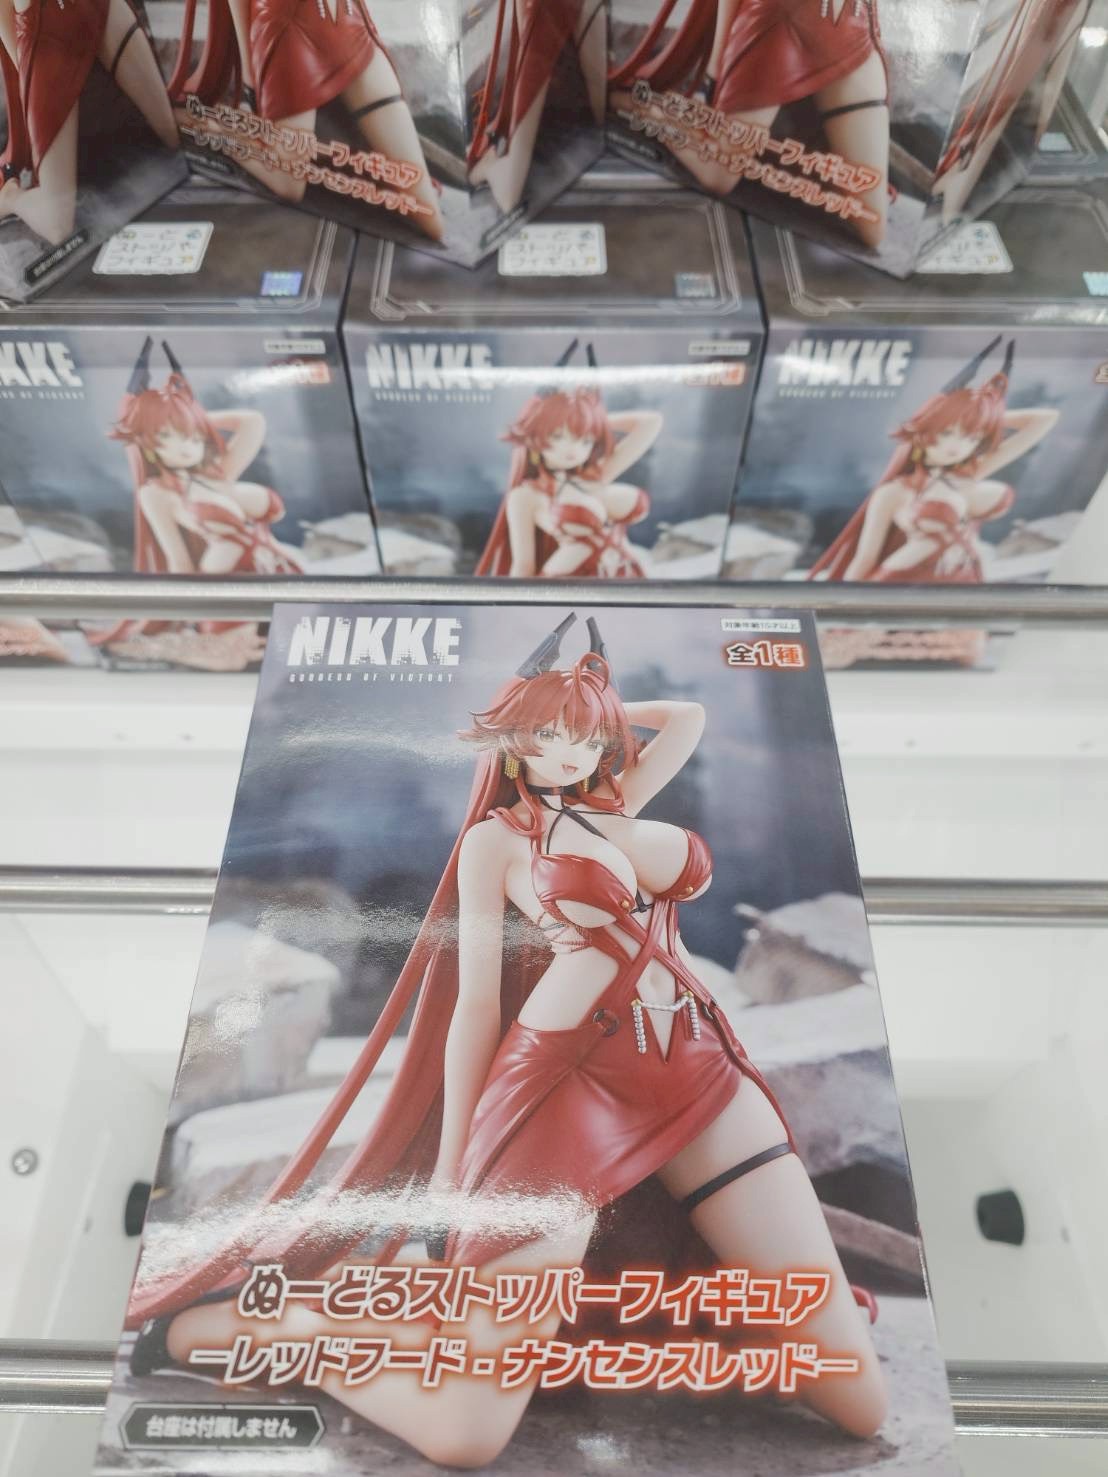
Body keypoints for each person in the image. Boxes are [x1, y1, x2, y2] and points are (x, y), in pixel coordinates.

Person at [126, 613, 887, 1467]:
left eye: (581, 738)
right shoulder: (496, 841)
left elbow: (687, 719)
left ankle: (381, 1295)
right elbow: (473, 1009)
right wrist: (452, 1173)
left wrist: (587, 700)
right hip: (564, 1090)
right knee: (465, 1434)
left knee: (856, 1400)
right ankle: (243, 1325)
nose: (565, 753)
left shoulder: (617, 803)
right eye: (542, 737)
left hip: (700, 1068)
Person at [609, 0, 889, 248]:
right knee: (719, 174)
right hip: (781, 19)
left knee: (872, 227)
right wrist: (715, 76)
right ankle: (644, 108)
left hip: (850, 18)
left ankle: (656, 107)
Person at [167, 0, 443, 237]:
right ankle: (216, 131)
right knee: (290, 182)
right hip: (299, 24)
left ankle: (216, 129)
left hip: (338, 18)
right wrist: (252, 84)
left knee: (429, 217)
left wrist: (251, 84)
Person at [809, 337, 1058, 582]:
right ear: (926, 429)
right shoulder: (894, 492)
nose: (956, 446)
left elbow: (1045, 419)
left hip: (961, 579)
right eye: (947, 433)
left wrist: (982, 416)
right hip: (900, 579)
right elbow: (865, 558)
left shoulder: (972, 472)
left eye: (971, 438)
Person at [476, 341, 661, 578]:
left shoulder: (598, 474)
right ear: (536, 435)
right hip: (565, 583)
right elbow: (523, 567)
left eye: (585, 440)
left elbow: (651, 422)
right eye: (558, 436)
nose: (572, 448)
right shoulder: (525, 495)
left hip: (626, 576)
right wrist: (555, 422)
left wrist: (590, 421)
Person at [0, 0, 178, 245]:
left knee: (172, 138)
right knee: (58, 226)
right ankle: (11, 197)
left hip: (94, 7)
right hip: (47, 31)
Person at [468, 0, 607, 215]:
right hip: (562, 136)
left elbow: (509, 195)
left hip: (556, 136)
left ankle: (489, 166)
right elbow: (600, 107)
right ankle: (489, 166)